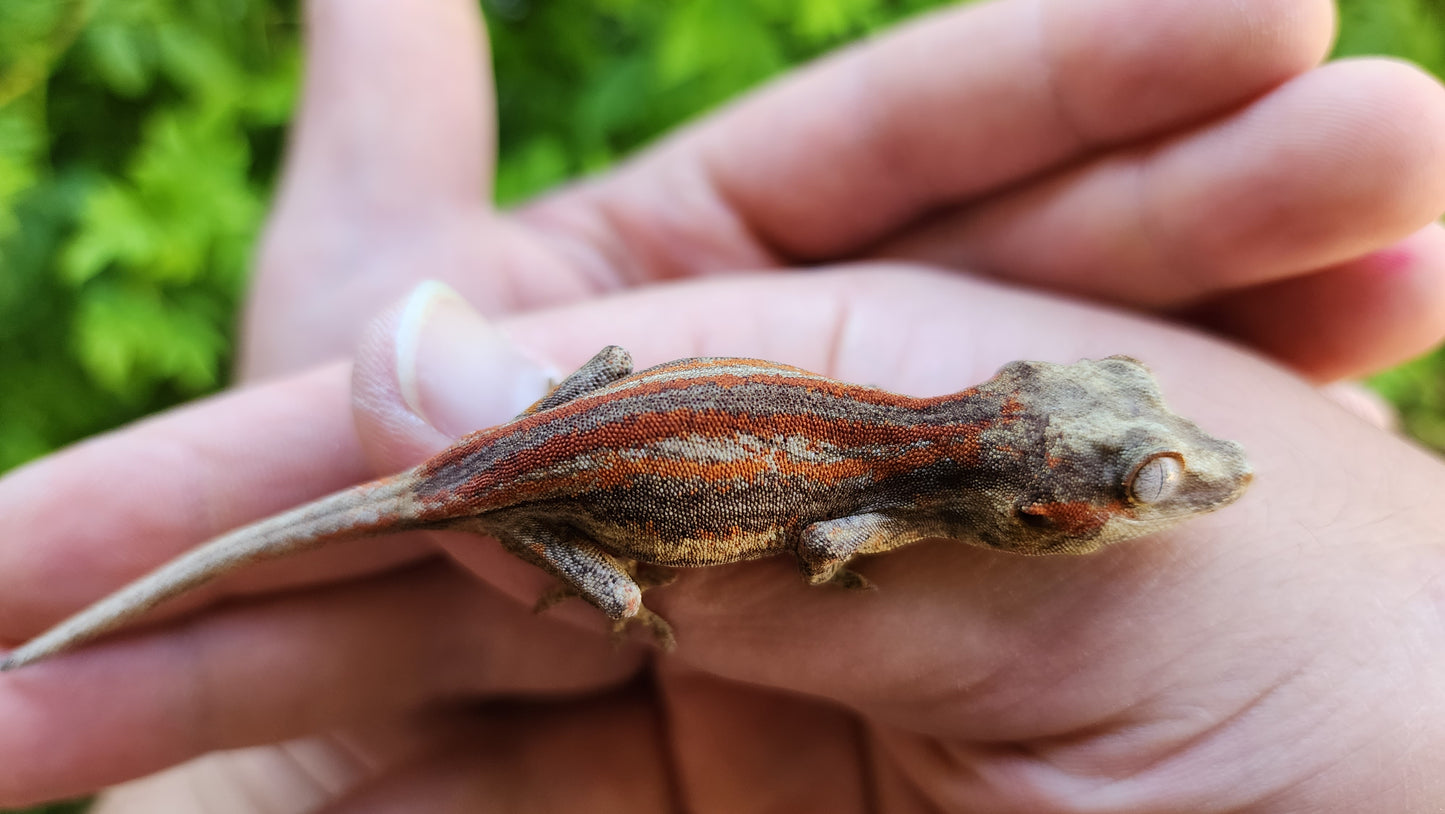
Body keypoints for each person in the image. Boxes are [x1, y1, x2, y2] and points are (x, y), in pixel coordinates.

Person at [4, 0, 1445, 810]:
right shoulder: (884, 510)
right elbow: (819, 553)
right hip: (551, 505)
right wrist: (625, 603)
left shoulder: (903, 444)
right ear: (1029, 498)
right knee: (627, 589)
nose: (1171, 491)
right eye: (1135, 477)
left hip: (568, 426)